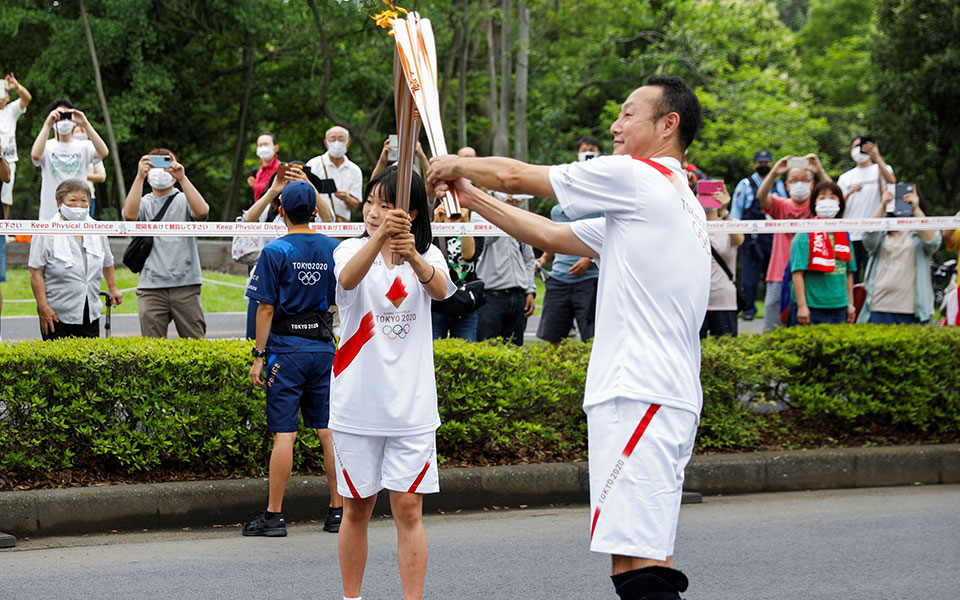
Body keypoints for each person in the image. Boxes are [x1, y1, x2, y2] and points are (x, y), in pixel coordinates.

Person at [428, 75, 709, 600]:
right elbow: (549, 235)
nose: (615, 125)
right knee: (642, 557)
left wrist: (454, 164)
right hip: (660, 393)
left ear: (668, 125)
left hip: (639, 391)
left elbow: (517, 175)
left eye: (628, 114)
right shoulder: (668, 199)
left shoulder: (639, 179)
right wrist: (470, 195)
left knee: (638, 567)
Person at [331, 166, 455, 600]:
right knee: (357, 508)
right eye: (370, 203)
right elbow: (347, 281)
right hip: (357, 405)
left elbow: (440, 292)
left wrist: (413, 254)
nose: (373, 212)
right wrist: (381, 237)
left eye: (385, 205)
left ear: (411, 212)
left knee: (408, 508)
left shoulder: (430, 257)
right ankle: (352, 598)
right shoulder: (348, 250)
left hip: (411, 407)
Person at [242, 180, 343, 536]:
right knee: (328, 431)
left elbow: (265, 307)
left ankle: (274, 517)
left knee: (284, 434)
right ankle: (337, 511)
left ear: (281, 210)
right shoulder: (335, 248)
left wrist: (259, 355)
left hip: (286, 349)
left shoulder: (275, 251)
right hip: (323, 347)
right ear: (315, 210)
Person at [242, 161, 334, 340]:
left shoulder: (310, 215)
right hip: (266, 284)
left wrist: (308, 187)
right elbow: (248, 220)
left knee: (294, 339)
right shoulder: (272, 212)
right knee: (255, 340)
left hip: (299, 285)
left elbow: (328, 219)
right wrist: (273, 190)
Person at [123, 149, 209, 339]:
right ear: (148, 175)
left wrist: (182, 178)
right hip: (151, 288)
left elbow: (202, 212)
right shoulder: (144, 202)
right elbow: (130, 216)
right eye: (154, 166)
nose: (161, 172)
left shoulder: (184, 198)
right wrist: (138, 177)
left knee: (195, 345)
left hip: (186, 284)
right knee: (152, 351)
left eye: (166, 165)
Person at [28, 180, 122, 340]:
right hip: (56, 313)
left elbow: (107, 261)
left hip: (90, 310)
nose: (79, 205)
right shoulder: (45, 231)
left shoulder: (97, 229)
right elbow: (36, 272)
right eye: (72, 200)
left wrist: (112, 288)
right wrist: (43, 307)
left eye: (83, 201)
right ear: (59, 202)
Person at [534, 140, 604, 343]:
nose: (588, 154)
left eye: (592, 151)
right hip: (559, 278)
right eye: (584, 151)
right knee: (553, 337)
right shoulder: (558, 209)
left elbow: (611, 236)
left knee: (592, 338)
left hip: (589, 281)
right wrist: (544, 258)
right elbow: (557, 237)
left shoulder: (604, 200)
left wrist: (588, 259)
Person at [755, 153, 832, 332]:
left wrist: (819, 171)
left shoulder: (818, 207)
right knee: (774, 329)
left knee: (806, 326)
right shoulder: (780, 205)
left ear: (812, 185)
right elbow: (761, 196)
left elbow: (834, 194)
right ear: (787, 185)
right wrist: (774, 172)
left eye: (805, 180)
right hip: (778, 274)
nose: (800, 184)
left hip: (810, 274)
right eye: (794, 180)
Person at [857, 186, 941, 324]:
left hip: (914, 309)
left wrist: (916, 209)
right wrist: (883, 205)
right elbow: (868, 238)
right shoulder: (883, 230)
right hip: (879, 305)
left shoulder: (922, 228)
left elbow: (932, 242)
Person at [787, 181, 856, 325]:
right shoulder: (804, 234)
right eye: (822, 197)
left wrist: (850, 304)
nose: (828, 201)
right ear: (814, 203)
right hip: (813, 307)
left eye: (833, 197)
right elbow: (797, 273)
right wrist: (802, 306)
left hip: (839, 306)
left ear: (840, 203)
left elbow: (849, 272)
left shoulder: (844, 234)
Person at [474, 192, 537, 346]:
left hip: (518, 295)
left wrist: (530, 290)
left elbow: (529, 259)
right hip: (490, 297)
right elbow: (487, 239)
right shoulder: (478, 213)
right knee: (488, 351)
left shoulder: (517, 217)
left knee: (515, 350)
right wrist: (502, 210)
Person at [730, 149, 787, 320]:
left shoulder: (778, 184)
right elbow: (736, 212)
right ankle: (749, 310)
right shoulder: (745, 185)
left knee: (774, 275)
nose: (764, 165)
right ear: (755, 165)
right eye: (760, 163)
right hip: (750, 237)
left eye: (767, 162)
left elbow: (784, 209)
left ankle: (776, 307)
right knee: (749, 276)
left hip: (773, 236)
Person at [30, 99, 108, 221]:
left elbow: (103, 152)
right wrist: (48, 124)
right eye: (60, 116)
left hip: (77, 213)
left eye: (67, 115)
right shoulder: (47, 146)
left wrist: (85, 123)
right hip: (50, 213)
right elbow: (35, 155)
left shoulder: (84, 146)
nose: (64, 121)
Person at [837, 135, 896, 278]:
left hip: (874, 234)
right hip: (850, 235)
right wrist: (849, 192)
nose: (859, 150)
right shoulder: (845, 177)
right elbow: (837, 205)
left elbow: (892, 182)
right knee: (851, 278)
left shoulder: (881, 169)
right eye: (855, 147)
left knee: (876, 277)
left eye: (863, 146)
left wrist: (876, 156)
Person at [431, 201, 485, 340]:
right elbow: (425, 252)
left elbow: (469, 256)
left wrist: (464, 223)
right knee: (433, 351)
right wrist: (437, 224)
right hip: (437, 303)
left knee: (465, 352)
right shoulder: (433, 227)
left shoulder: (475, 228)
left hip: (465, 303)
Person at [701, 185, 743, 337]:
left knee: (726, 351)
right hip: (697, 301)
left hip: (724, 300)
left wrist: (724, 210)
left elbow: (739, 240)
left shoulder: (731, 223)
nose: (709, 197)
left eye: (715, 193)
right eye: (703, 193)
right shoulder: (690, 224)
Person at [305, 126, 363, 222]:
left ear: (348, 143)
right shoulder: (313, 164)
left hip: (342, 225)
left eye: (341, 139)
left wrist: (346, 198)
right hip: (316, 222)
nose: (337, 143)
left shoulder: (355, 170)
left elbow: (355, 204)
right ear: (326, 143)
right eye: (332, 139)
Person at [0, 73, 32, 219]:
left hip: (8, 160)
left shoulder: (11, 111)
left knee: (5, 199)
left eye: (4, 92)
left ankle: (3, 235)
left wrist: (16, 86)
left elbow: (27, 98)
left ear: (8, 96)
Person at [71, 123, 106, 216]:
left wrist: (82, 174)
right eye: (77, 131)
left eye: (83, 131)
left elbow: (102, 176)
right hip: (68, 196)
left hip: (87, 196)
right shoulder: (66, 150)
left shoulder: (92, 151)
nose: (80, 134)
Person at [251, 132, 280, 206]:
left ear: (276, 148)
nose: (263, 148)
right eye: (260, 145)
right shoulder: (259, 171)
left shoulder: (280, 169)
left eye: (266, 144)